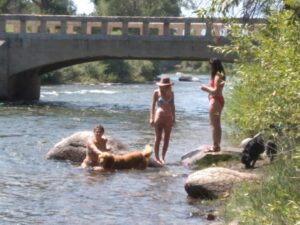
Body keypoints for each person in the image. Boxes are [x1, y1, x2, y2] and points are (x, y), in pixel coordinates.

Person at [200, 58, 226, 152]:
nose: (209, 67)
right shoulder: (220, 75)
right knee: (217, 124)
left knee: (214, 124)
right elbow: (216, 89)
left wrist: (204, 88)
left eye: (210, 65)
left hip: (215, 102)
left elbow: (215, 91)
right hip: (218, 102)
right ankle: (217, 145)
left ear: (213, 66)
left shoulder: (217, 76)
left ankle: (215, 146)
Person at [149, 76, 175, 165]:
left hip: (168, 118)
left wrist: (174, 118)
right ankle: (156, 158)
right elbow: (152, 105)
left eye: (166, 85)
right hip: (158, 117)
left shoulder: (171, 93)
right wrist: (151, 118)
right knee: (158, 138)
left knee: (166, 139)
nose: (164, 86)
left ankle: (163, 157)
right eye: (163, 85)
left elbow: (173, 106)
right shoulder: (156, 92)